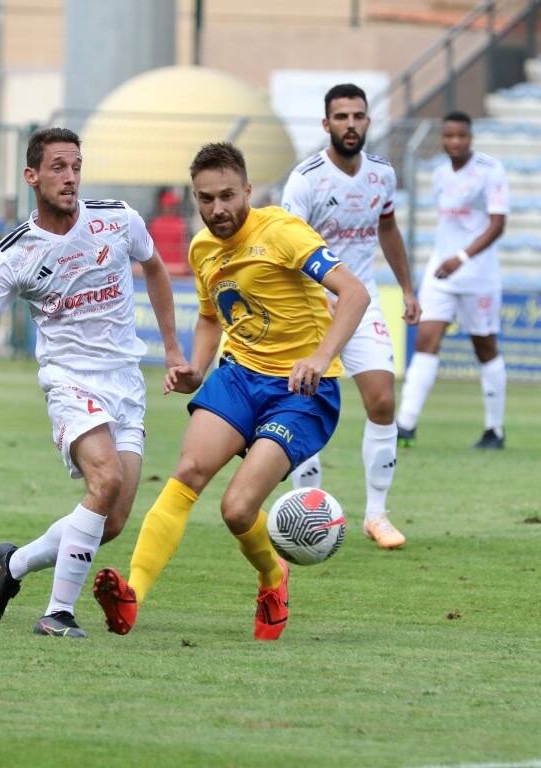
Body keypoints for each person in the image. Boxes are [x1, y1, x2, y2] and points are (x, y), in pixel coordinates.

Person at [92, 142, 369, 641]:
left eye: (226, 196)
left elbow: (355, 293)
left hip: (301, 390)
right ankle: (130, 597)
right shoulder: (202, 249)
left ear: (246, 190)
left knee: (238, 509)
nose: (217, 209)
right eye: (205, 199)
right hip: (239, 375)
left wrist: (319, 356)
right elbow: (209, 315)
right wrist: (196, 369)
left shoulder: (282, 232)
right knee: (187, 472)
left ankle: (272, 577)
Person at [0, 127, 188, 638]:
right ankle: (57, 613)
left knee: (114, 518)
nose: (70, 177)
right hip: (69, 381)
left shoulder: (117, 220)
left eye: (76, 166)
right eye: (58, 167)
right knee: (104, 481)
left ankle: (12, 567)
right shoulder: (14, 253)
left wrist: (171, 349)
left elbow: (155, 267)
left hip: (125, 382)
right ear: (31, 176)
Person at [281, 83, 421, 550]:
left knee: (382, 400)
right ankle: (305, 510)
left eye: (358, 116)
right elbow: (287, 248)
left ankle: (377, 516)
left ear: (367, 122)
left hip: (361, 304)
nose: (350, 124)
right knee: (305, 405)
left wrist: (405, 287)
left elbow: (388, 228)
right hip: (309, 305)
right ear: (327, 124)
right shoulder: (305, 180)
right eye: (341, 117)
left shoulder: (382, 174)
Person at [397, 111, 510, 450]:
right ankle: (405, 424)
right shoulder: (439, 173)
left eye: (461, 135)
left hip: (477, 275)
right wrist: (447, 260)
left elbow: (497, 224)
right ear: (443, 138)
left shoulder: (491, 171)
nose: (455, 142)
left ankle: (495, 430)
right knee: (426, 340)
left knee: (484, 346)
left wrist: (461, 257)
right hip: (441, 272)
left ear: (470, 137)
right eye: (449, 136)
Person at [147, 187, 190, 277]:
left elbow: (185, 248)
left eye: (172, 206)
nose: (170, 209)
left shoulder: (181, 224)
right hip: (170, 269)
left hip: (172, 269)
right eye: (169, 206)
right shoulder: (155, 224)